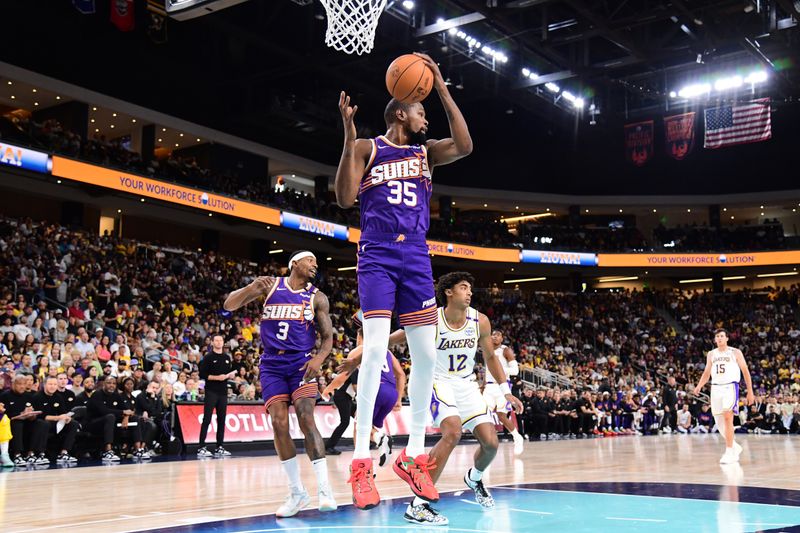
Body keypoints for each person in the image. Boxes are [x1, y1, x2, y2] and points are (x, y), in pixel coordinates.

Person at [334, 51, 473, 510]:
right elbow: (344, 197)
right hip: (376, 252)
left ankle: (413, 455)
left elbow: (466, 146)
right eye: (420, 108)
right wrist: (350, 136)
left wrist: (442, 86)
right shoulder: (368, 148)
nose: (425, 114)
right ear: (400, 111)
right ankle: (360, 462)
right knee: (374, 350)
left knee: (427, 356)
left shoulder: (426, 152)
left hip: (416, 253)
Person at [386, 272, 523, 525]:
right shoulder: (431, 318)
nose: (469, 292)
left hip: (467, 384)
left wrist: (506, 390)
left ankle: (475, 477)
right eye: (463, 287)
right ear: (449, 292)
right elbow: (402, 336)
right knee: (452, 433)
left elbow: (491, 357)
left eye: (470, 288)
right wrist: (374, 344)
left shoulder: (480, 321)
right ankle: (418, 505)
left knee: (491, 443)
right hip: (437, 382)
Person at [224, 250, 336, 517]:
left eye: (316, 263)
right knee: (278, 423)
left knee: (307, 417)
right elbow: (229, 305)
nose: (314, 265)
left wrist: (319, 359)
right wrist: (251, 287)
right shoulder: (270, 285)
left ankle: (324, 488)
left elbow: (328, 337)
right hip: (272, 364)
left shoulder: (317, 297)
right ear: (294, 263)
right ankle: (297, 492)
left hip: (301, 362)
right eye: (310, 261)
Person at [330, 326, 406, 467]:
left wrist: (329, 389)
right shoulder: (387, 350)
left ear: (359, 337)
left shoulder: (357, 351)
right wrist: (399, 398)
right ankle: (375, 449)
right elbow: (401, 374)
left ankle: (361, 462)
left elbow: (344, 377)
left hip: (375, 389)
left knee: (359, 427)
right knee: (371, 427)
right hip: (391, 393)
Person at [693, 328, 754, 464]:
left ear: (727, 338)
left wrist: (750, 391)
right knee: (719, 422)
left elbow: (745, 371)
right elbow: (707, 372)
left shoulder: (735, 352)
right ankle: (734, 446)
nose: (719, 338)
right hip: (715, 388)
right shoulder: (711, 354)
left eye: (722, 336)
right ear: (715, 340)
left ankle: (729, 451)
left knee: (728, 417)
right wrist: (699, 386)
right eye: (717, 336)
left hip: (730, 386)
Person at [86, 375, 150, 462]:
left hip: (111, 422)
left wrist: (126, 417)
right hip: (94, 423)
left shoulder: (116, 395)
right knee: (110, 416)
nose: (111, 385)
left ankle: (137, 449)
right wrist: (123, 413)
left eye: (114, 383)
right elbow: (103, 411)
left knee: (135, 418)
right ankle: (108, 451)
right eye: (109, 383)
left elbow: (127, 410)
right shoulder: (97, 394)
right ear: (104, 384)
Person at [482, 330, 524, 454]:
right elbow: (487, 371)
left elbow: (515, 371)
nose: (494, 336)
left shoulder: (506, 350)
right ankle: (487, 443)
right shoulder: (487, 350)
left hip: (502, 386)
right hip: (489, 387)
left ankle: (517, 437)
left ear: (502, 338)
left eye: (497, 335)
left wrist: (499, 368)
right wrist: (483, 385)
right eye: (492, 335)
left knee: (501, 416)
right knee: (483, 414)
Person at [196, 334, 235, 458]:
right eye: (216, 340)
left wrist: (230, 376)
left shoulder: (227, 357)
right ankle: (201, 446)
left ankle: (219, 446)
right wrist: (217, 378)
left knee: (222, 420)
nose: (219, 342)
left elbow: (228, 373)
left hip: (223, 392)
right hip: (211, 391)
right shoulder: (208, 357)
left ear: (223, 342)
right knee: (207, 419)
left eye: (221, 340)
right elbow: (203, 374)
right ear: (212, 343)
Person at [0, 374, 47, 466]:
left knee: (41, 423)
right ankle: (17, 455)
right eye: (19, 384)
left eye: (24, 384)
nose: (22, 386)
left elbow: (32, 412)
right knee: (17, 423)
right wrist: (20, 415)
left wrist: (31, 415)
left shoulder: (29, 396)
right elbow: (4, 415)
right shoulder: (5, 396)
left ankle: (31, 454)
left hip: (27, 421)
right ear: (13, 384)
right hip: (11, 422)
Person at [33, 375, 78, 463]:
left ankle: (64, 452)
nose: (52, 386)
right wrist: (58, 417)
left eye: (54, 384)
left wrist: (66, 417)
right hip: (40, 423)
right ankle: (40, 454)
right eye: (50, 384)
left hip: (56, 423)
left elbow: (62, 412)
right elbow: (41, 415)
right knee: (43, 423)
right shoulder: (37, 396)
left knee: (73, 423)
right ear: (44, 385)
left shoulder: (58, 397)